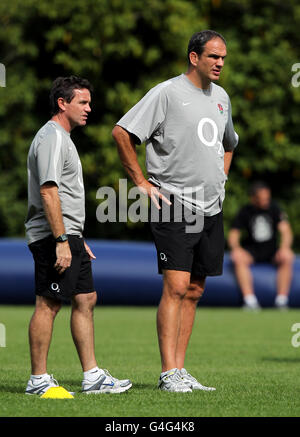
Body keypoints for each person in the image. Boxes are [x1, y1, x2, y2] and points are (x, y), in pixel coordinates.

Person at [112, 30, 238, 392]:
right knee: (177, 285)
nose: (220, 64)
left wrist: (222, 178)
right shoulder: (166, 93)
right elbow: (122, 132)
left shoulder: (222, 98)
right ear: (194, 57)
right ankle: (168, 373)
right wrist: (140, 182)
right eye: (214, 56)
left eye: (224, 58)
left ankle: (181, 371)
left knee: (196, 289)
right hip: (175, 202)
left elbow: (230, 143)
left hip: (212, 205)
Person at [25, 76, 131, 395]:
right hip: (52, 237)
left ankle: (93, 377)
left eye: (88, 102)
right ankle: (38, 380)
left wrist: (75, 236)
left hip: (69, 234)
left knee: (85, 298)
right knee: (49, 303)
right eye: (82, 102)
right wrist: (60, 240)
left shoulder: (64, 137)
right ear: (62, 104)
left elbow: (64, 195)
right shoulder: (52, 137)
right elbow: (48, 191)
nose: (89, 108)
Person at [228, 181, 294, 310]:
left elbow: (286, 231)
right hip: (252, 251)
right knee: (237, 257)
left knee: (287, 256)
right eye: (261, 199)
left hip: (272, 251)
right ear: (253, 198)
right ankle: (249, 300)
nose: (265, 201)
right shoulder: (245, 211)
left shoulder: (274, 208)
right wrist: (236, 248)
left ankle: (282, 300)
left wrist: (284, 247)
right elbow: (234, 233)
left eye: (267, 198)